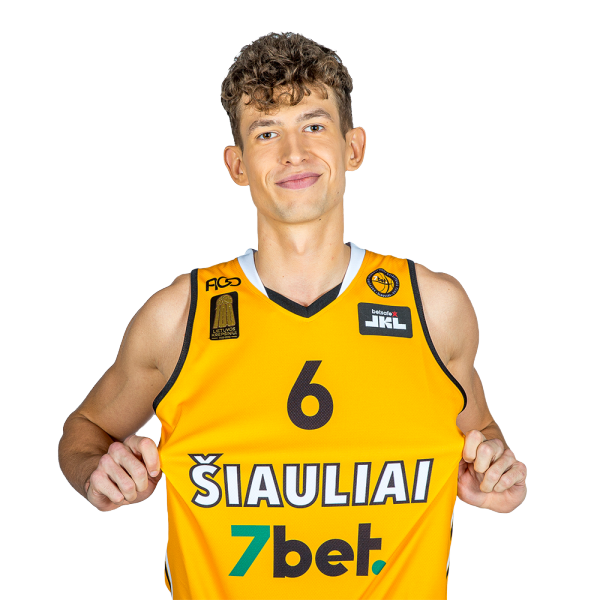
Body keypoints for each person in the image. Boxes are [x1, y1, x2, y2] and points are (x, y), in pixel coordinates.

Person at [58, 31, 528, 599]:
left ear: (354, 148)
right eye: (266, 132)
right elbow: (84, 432)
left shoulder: (433, 307)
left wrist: (495, 468)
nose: (294, 153)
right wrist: (98, 473)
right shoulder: (179, 318)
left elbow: (482, 433)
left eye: (314, 125)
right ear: (236, 164)